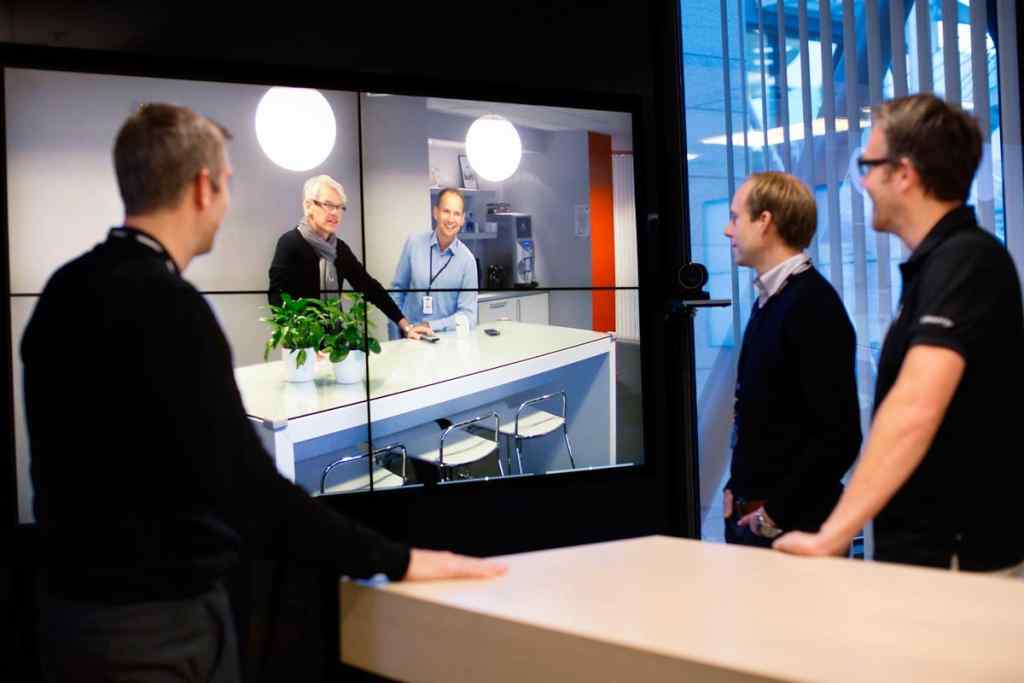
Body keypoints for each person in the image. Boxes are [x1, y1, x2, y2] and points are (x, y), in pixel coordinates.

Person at [23, 103, 505, 683]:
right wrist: (397, 560)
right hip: (157, 626)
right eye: (226, 182)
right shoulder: (173, 310)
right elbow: (250, 487)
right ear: (201, 187)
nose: (228, 202)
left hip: (61, 610)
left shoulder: (63, 290)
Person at [775, 94, 1024, 575]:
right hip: (927, 553)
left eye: (868, 166)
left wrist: (832, 534)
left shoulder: (966, 260)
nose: (863, 182)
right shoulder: (937, 264)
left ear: (904, 173)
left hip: (959, 558)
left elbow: (915, 406)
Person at [720, 172, 861, 547]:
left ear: (764, 221)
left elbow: (840, 437)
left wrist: (773, 514)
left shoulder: (813, 306)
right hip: (757, 520)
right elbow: (762, 416)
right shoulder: (772, 299)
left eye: (735, 218)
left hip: (791, 529)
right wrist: (737, 488)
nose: (727, 230)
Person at [268, 174, 430, 339]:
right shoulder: (290, 243)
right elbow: (276, 298)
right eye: (328, 205)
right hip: (301, 344)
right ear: (309, 206)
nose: (335, 212)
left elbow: (369, 287)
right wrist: (301, 342)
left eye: (340, 207)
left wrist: (406, 326)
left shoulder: (339, 249)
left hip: (335, 341)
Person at [390, 188, 478, 337]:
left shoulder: (468, 261)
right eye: (446, 211)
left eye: (456, 214)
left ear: (463, 219)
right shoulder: (413, 244)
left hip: (445, 344)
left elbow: (468, 317)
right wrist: (396, 338)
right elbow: (396, 295)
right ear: (436, 212)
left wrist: (431, 326)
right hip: (409, 339)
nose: (451, 219)